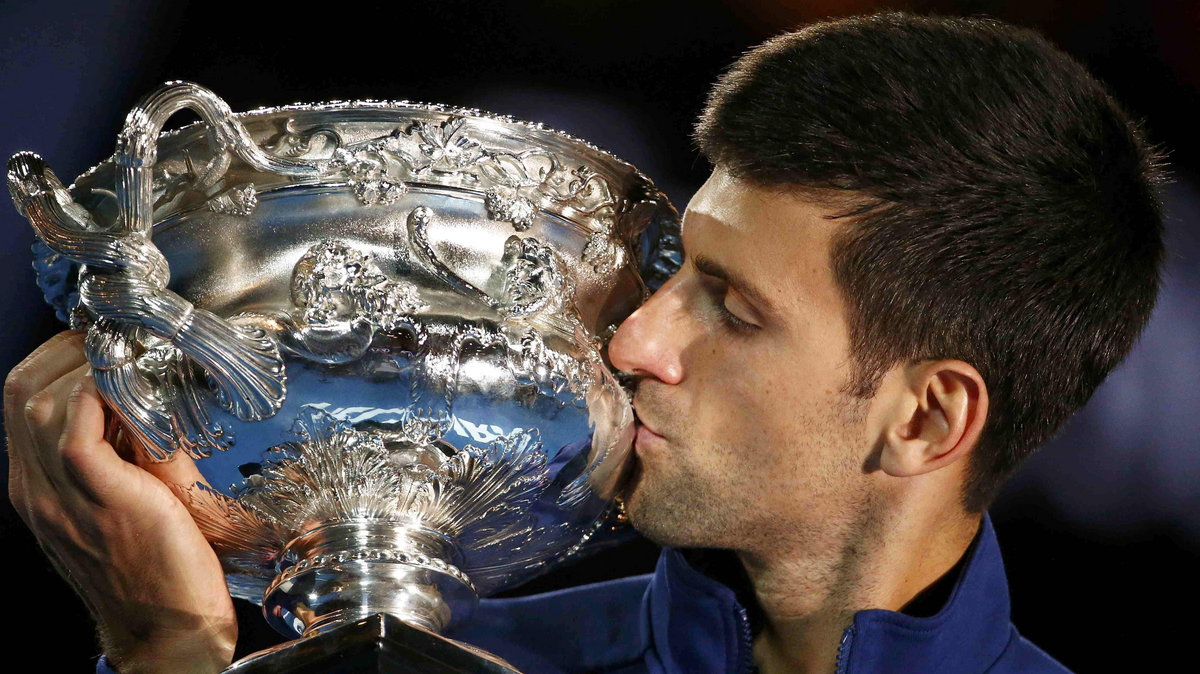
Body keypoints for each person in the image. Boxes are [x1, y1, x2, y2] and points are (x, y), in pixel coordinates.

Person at [5, 12, 1164, 674]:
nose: (638, 339)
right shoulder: (457, 657)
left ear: (924, 419)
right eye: (676, 273)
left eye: (733, 307)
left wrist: (168, 651)